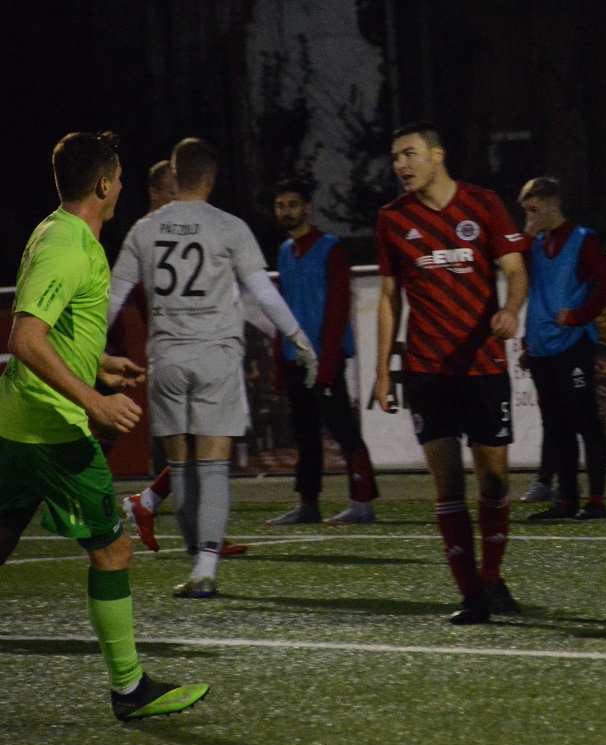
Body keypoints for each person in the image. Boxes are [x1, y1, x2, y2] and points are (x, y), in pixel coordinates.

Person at [0, 131, 209, 720]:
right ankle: (129, 689)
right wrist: (92, 400)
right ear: (102, 185)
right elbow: (25, 340)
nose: (121, 187)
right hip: (55, 432)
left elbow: (53, 333)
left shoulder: (56, 230)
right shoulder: (70, 247)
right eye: (117, 179)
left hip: (14, 425)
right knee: (113, 550)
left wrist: (99, 362)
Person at [108, 137, 318, 598]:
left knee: (181, 472)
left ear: (176, 176)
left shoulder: (145, 229)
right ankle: (205, 569)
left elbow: (112, 297)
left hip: (166, 360)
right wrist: (301, 341)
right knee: (214, 469)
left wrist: (86, 352)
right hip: (216, 359)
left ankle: (194, 562)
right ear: (212, 178)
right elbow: (263, 294)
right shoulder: (230, 227)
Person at [373, 121, 529, 624]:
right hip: (426, 371)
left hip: (482, 367)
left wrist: (511, 310)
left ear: (437, 155)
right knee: (447, 486)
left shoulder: (483, 205)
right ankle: (472, 596)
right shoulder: (391, 219)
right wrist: (382, 371)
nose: (401, 164)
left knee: (493, 480)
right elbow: (388, 297)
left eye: (410, 153)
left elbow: (516, 270)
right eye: (396, 156)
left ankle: (492, 576)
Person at [114, 161, 248, 558]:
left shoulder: (167, 236)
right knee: (203, 444)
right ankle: (189, 534)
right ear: (156, 194)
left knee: (202, 443)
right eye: (174, 192)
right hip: (183, 352)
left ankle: (158, 509)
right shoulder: (148, 240)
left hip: (194, 349)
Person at [263, 178, 380, 526]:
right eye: (280, 206)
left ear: (308, 209)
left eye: (293, 205)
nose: (286, 212)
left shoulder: (331, 248)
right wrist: (279, 360)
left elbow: (338, 307)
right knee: (305, 435)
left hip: (323, 359)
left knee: (343, 427)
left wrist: (328, 363)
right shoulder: (285, 251)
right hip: (295, 358)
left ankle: (362, 504)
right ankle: (308, 504)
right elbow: (280, 307)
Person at [517, 176, 606, 521]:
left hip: (573, 346)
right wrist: (528, 339)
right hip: (543, 349)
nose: (528, 219)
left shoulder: (582, 240)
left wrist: (580, 315)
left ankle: (596, 500)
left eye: (533, 210)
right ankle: (565, 500)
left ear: (551, 205)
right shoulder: (534, 245)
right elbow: (519, 276)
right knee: (556, 425)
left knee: (585, 421)